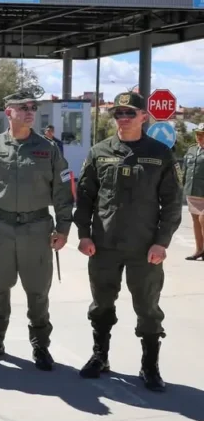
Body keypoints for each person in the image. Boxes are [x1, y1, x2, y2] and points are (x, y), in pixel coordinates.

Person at [74, 91, 183, 392]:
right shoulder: (99, 152)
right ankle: (100, 356)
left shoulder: (160, 154)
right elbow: (85, 197)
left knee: (148, 308)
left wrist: (162, 242)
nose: (123, 118)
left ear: (143, 117)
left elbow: (172, 203)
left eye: (129, 113)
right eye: (118, 113)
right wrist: (83, 234)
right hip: (104, 245)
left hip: (144, 247)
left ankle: (150, 366)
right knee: (101, 305)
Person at [0, 87, 73, 370]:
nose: (30, 112)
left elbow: (63, 191)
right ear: (8, 112)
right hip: (0, 228)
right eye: (23, 107)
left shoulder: (48, 149)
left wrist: (63, 228)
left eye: (33, 108)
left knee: (38, 291)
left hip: (37, 229)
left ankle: (40, 345)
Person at [182, 128, 204, 260]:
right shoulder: (191, 150)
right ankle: (199, 250)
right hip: (192, 191)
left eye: (202, 134)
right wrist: (183, 185)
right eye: (197, 134)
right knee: (196, 221)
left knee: (202, 219)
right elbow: (185, 170)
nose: (199, 137)